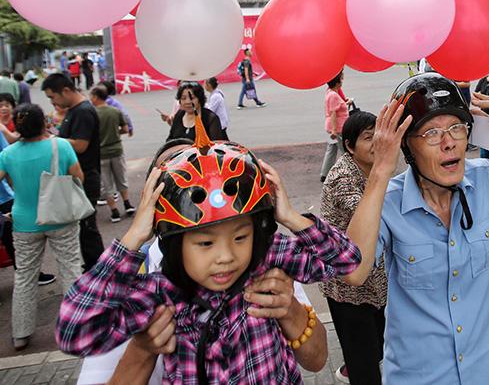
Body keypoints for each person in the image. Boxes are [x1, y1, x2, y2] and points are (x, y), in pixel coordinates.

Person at [56, 123, 362, 383]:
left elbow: (346, 259)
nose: (226, 256)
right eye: (205, 243)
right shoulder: (159, 293)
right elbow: (75, 332)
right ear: (171, 238)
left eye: (240, 236)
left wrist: (292, 217)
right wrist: (132, 239)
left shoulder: (266, 260)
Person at [342, 72, 489, 384]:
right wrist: (380, 172)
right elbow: (352, 271)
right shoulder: (387, 202)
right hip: (420, 377)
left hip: (485, 373)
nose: (449, 142)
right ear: (408, 148)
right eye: (431, 134)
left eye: (456, 128)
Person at [0, 103, 84, 350]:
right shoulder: (61, 145)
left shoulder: (8, 154)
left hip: (24, 221)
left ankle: (21, 334)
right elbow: (78, 176)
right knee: (70, 269)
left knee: (24, 276)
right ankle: (76, 327)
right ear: (43, 123)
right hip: (62, 217)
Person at [320, 111, 387, 384]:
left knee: (377, 343)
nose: (376, 143)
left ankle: (355, 360)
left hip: (374, 278)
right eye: (368, 138)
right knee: (366, 368)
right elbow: (372, 216)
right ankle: (356, 366)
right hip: (346, 287)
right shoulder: (342, 178)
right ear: (349, 145)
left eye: (378, 135)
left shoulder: (373, 166)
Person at [41, 73, 104, 272]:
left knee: (87, 228)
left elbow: (80, 145)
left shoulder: (83, 112)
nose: (52, 101)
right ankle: (94, 267)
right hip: (79, 176)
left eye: (53, 97)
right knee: (83, 228)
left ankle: (98, 270)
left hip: (85, 177)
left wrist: (50, 139)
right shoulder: (74, 110)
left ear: (66, 91)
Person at [0, 129, 57, 288]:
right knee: (14, 241)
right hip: (7, 197)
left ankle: (29, 275)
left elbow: (7, 158)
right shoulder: (58, 145)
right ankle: (28, 276)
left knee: (11, 241)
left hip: (5, 197)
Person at [89, 86, 135, 223]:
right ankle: (127, 204)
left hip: (101, 153)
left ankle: (114, 212)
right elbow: (125, 129)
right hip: (116, 150)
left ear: (96, 97)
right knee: (121, 179)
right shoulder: (115, 111)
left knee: (107, 184)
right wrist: (115, 133)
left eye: (91, 96)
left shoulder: (92, 114)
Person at [321, 71, 349, 182]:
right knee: (345, 151)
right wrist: (334, 130)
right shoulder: (333, 95)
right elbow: (333, 113)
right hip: (338, 127)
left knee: (331, 150)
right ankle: (348, 171)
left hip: (332, 126)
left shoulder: (330, 92)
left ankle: (325, 173)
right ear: (337, 83)